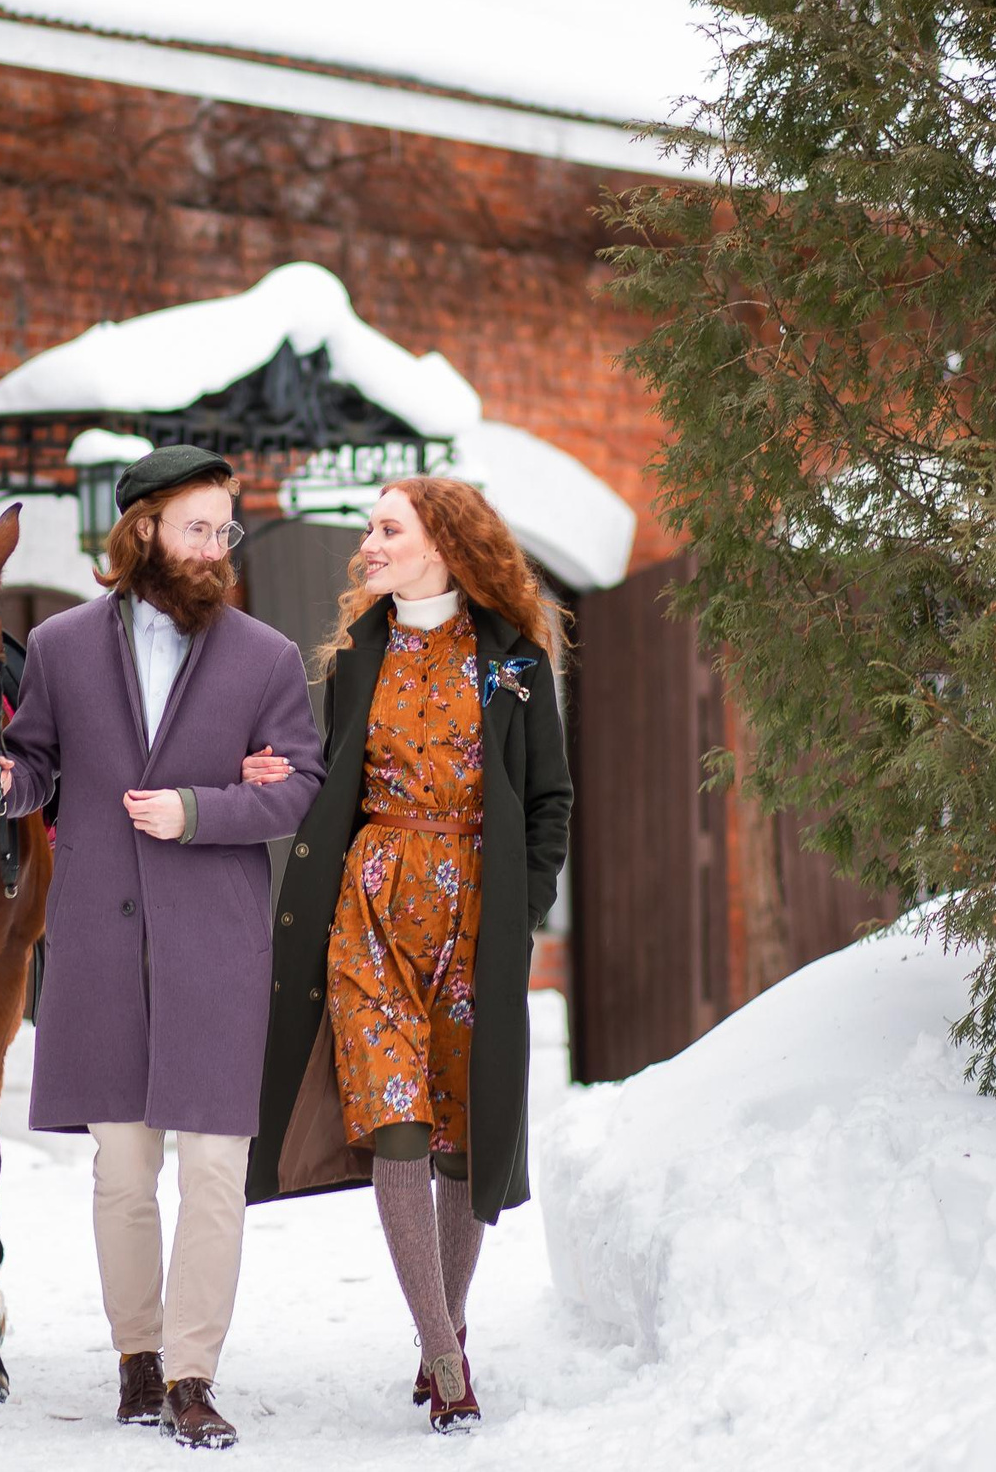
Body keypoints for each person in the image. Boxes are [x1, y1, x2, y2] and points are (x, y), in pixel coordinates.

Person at [0, 445, 324, 1450]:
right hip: (99, 943)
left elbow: (299, 784)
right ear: (142, 529)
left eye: (226, 529)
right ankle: (135, 1357)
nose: (217, 546)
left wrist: (199, 810)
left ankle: (192, 1374)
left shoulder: (265, 656)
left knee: (216, 1170)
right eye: (198, 527)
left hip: (216, 946)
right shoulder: (54, 646)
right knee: (121, 1173)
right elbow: (36, 765)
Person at [246, 477, 573, 1433]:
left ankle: (449, 1323)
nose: (369, 546)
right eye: (370, 530)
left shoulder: (513, 662)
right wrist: (273, 771)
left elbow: (548, 800)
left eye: (389, 529)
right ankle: (444, 1355)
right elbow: (325, 771)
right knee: (394, 1124)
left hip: (478, 914)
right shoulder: (358, 654)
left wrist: (527, 906)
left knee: (461, 1140)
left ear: (446, 543)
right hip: (372, 910)